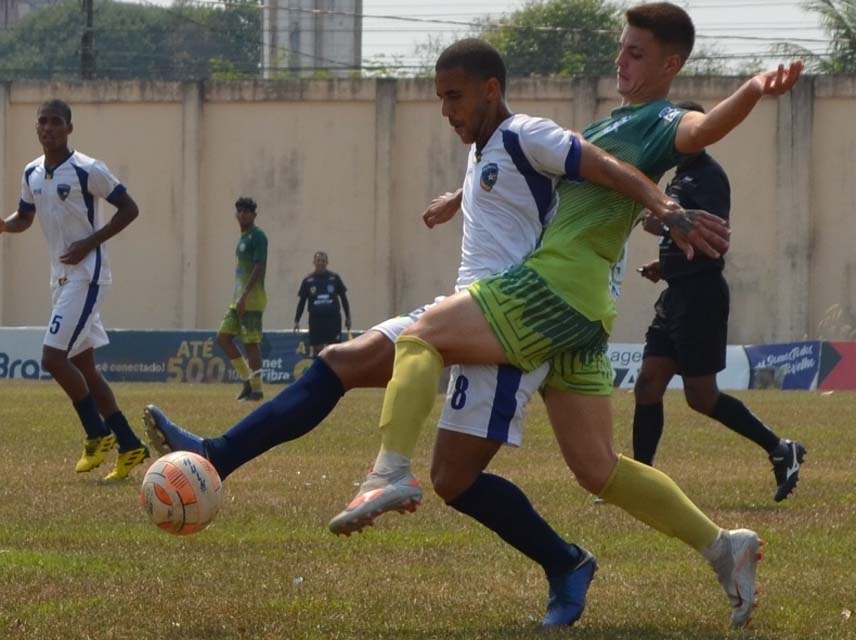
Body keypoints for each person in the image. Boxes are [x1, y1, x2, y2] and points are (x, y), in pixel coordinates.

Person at [143, 38, 725, 627]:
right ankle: (217, 454)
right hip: (465, 309)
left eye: (455, 96)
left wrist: (664, 206)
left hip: (512, 328)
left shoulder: (527, 130)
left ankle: (562, 560)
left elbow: (599, 165)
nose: (446, 110)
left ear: (490, 90)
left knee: (455, 478)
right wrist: (458, 198)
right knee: (341, 362)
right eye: (440, 98)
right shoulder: (486, 147)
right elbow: (512, 191)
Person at [331, 3, 802, 628]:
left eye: (636, 53)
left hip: (554, 290)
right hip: (586, 310)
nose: (621, 60)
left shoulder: (664, 118)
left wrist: (752, 89)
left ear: (670, 64)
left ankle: (389, 472)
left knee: (423, 335)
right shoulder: (616, 121)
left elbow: (702, 129)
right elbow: (551, 177)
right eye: (621, 48)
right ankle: (725, 547)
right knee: (598, 469)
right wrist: (459, 197)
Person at [633, 101, 806, 501]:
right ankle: (640, 482)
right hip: (677, 293)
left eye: (679, 131)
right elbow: (677, 231)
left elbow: (683, 225)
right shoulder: (683, 175)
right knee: (648, 383)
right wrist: (665, 265)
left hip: (701, 297)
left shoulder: (705, 177)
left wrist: (658, 217)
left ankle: (782, 449)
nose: (673, 140)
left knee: (701, 396)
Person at [0, 99, 149, 480]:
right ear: (36, 128)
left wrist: (89, 243)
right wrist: (3, 224)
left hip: (88, 274)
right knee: (85, 367)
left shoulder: (88, 170)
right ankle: (130, 446)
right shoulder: (32, 172)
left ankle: (97, 434)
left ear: (69, 128)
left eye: (56, 122)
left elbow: (129, 209)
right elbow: (25, 217)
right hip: (61, 279)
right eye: (42, 122)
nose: (48, 128)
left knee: (52, 358)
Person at [218, 196, 268, 402]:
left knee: (251, 345)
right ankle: (247, 380)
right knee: (223, 337)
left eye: (247, 211)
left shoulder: (258, 236)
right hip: (238, 300)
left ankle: (257, 390)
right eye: (239, 211)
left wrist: (245, 297)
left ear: (254, 215)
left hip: (251, 300)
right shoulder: (243, 238)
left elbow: (259, 266)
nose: (242, 215)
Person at [294, 251, 351, 357]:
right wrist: (297, 320)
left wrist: (348, 317)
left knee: (334, 350)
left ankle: (333, 373)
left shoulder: (334, 278)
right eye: (318, 260)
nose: (321, 263)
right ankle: (320, 372)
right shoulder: (308, 280)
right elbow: (302, 302)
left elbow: (344, 299)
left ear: (327, 262)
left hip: (333, 320)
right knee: (317, 350)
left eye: (323, 261)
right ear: (314, 262)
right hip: (316, 321)